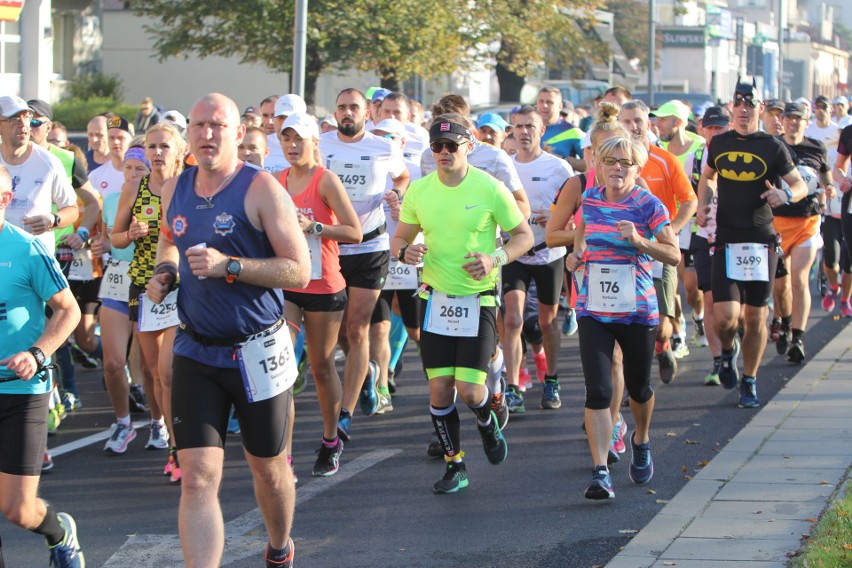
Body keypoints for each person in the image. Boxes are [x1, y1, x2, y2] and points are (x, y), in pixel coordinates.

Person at [146, 93, 310, 567]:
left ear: (239, 133)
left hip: (257, 351)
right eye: (198, 125)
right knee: (197, 476)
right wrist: (166, 274)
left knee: (270, 469)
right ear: (188, 135)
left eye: (218, 125)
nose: (207, 134)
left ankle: (280, 547)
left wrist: (231, 266)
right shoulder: (176, 187)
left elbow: (298, 270)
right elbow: (169, 242)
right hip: (196, 350)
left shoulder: (260, 188)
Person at [391, 114, 533, 493]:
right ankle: (456, 466)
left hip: (478, 299)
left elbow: (524, 235)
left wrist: (495, 258)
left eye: (451, 145)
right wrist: (406, 251)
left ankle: (487, 421)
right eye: (436, 147)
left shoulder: (489, 187)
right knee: (439, 390)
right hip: (435, 298)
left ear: (468, 146)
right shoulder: (420, 190)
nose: (443, 152)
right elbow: (400, 238)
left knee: (470, 391)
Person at [566, 135, 680, 500]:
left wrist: (640, 242)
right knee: (598, 390)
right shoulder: (590, 199)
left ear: (636, 168)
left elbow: (674, 255)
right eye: (610, 161)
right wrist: (575, 257)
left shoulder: (648, 204)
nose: (617, 168)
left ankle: (642, 439)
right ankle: (601, 472)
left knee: (638, 388)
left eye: (625, 163)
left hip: (637, 310)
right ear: (598, 164)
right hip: (594, 308)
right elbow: (581, 241)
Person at [697, 79, 807, 408]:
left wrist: (784, 194)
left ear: (759, 108)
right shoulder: (719, 143)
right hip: (727, 238)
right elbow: (708, 178)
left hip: (760, 240)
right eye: (738, 102)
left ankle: (749, 379)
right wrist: (704, 204)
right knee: (726, 317)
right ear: (732, 107)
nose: (743, 109)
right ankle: (728, 353)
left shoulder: (772, 146)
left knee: (756, 317)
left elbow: (799, 184)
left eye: (750, 103)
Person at [0, 164, 85, 567]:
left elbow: (68, 310)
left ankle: (59, 532)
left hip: (21, 392)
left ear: (3, 201)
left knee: (17, 509)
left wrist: (36, 354)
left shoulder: (26, 249)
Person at [319, 88, 409, 440]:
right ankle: (369, 370)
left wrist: (396, 194)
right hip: (331, 245)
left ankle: (346, 413)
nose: (347, 113)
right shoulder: (321, 145)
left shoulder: (383, 146)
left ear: (366, 112)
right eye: (341, 107)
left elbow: (401, 177)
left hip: (371, 246)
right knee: (340, 331)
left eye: (353, 107)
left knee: (358, 328)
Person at [278, 112, 361, 476]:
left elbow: (354, 232)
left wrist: (313, 226)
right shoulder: (276, 181)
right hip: (289, 285)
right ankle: (283, 454)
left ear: (314, 141)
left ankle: (331, 440)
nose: (293, 146)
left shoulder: (325, 180)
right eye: (286, 139)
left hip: (325, 286)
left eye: (299, 139)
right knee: (281, 366)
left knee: (321, 365)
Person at [111, 124, 186, 477]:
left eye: (164, 147)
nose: (157, 153)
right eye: (152, 147)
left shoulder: (189, 184)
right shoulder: (134, 187)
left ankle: (179, 448)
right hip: (143, 286)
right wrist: (130, 233)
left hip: (182, 287)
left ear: (179, 150)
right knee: (153, 371)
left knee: (170, 373)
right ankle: (167, 431)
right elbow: (115, 238)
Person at [619, 100, 696, 384]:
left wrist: (673, 230)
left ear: (649, 124)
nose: (633, 127)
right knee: (625, 321)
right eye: (626, 122)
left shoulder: (665, 160)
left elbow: (690, 200)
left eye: (638, 121)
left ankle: (664, 348)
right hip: (624, 251)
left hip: (658, 250)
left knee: (661, 325)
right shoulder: (612, 163)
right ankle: (632, 385)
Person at [502, 106, 573, 413]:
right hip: (515, 253)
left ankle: (552, 380)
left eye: (530, 126)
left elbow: (577, 213)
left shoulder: (559, 168)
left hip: (548, 253)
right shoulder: (503, 166)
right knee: (513, 318)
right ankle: (515, 385)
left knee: (547, 322)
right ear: (512, 131)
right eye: (518, 126)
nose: (524, 132)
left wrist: (557, 217)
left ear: (542, 130)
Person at [771, 102, 833, 363]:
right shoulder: (772, 145)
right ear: (782, 121)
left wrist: (829, 190)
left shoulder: (816, 148)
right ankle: (785, 321)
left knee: (799, 279)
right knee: (781, 285)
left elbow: (826, 178)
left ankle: (798, 337)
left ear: (807, 122)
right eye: (789, 118)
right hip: (776, 223)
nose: (793, 122)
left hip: (807, 221)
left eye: (799, 118)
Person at [684, 106, 732, 385]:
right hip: (703, 236)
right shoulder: (695, 157)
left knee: (738, 312)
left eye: (720, 128)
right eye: (710, 127)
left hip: (735, 237)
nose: (715, 132)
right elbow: (685, 195)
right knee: (710, 300)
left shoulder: (739, 154)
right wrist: (697, 209)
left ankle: (730, 345)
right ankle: (719, 361)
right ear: (702, 129)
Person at [536, 87, 584, 170]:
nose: (544, 105)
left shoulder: (573, 132)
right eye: (541, 101)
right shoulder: (527, 129)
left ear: (560, 106)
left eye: (549, 102)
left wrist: (562, 159)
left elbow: (589, 165)